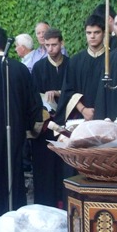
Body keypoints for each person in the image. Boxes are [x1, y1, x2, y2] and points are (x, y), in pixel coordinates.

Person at [0, 26, 42, 224]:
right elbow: (33, 104)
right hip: (16, 134)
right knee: (14, 176)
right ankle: (16, 222)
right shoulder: (20, 69)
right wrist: (29, 127)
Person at [31, 28, 69, 208]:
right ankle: (46, 205)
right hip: (46, 124)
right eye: (47, 45)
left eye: (54, 45)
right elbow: (34, 95)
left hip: (67, 123)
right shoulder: (38, 67)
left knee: (65, 166)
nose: (51, 49)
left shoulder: (71, 65)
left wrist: (59, 93)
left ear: (61, 43)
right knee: (45, 166)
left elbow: (76, 90)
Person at [55, 14, 106, 125]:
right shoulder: (75, 61)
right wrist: (83, 110)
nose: (92, 36)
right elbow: (67, 90)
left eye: (96, 32)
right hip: (81, 118)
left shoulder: (112, 59)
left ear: (104, 33)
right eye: (89, 33)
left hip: (107, 117)